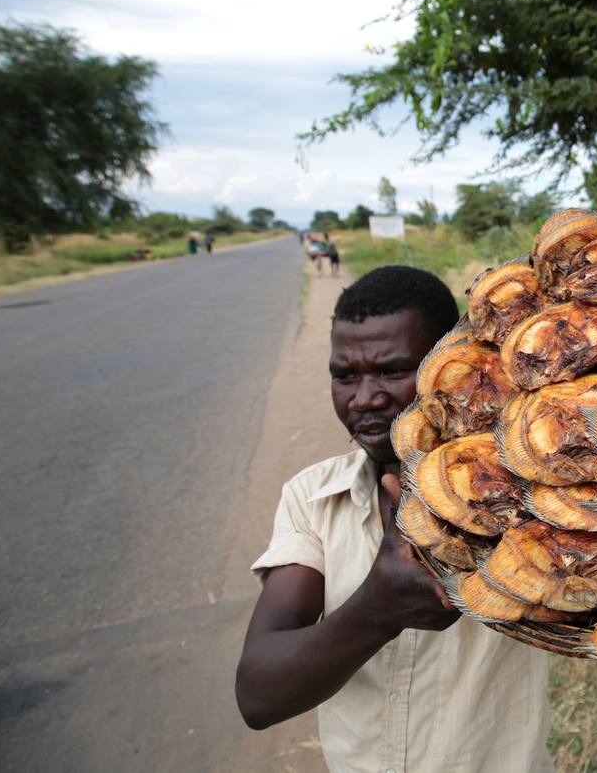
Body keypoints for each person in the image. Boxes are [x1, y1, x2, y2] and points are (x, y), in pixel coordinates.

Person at [236, 266, 551, 773]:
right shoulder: (311, 499)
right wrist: (376, 610)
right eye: (346, 376)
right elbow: (257, 695)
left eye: (392, 370)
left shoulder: (530, 495)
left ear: (454, 365)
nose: (364, 398)